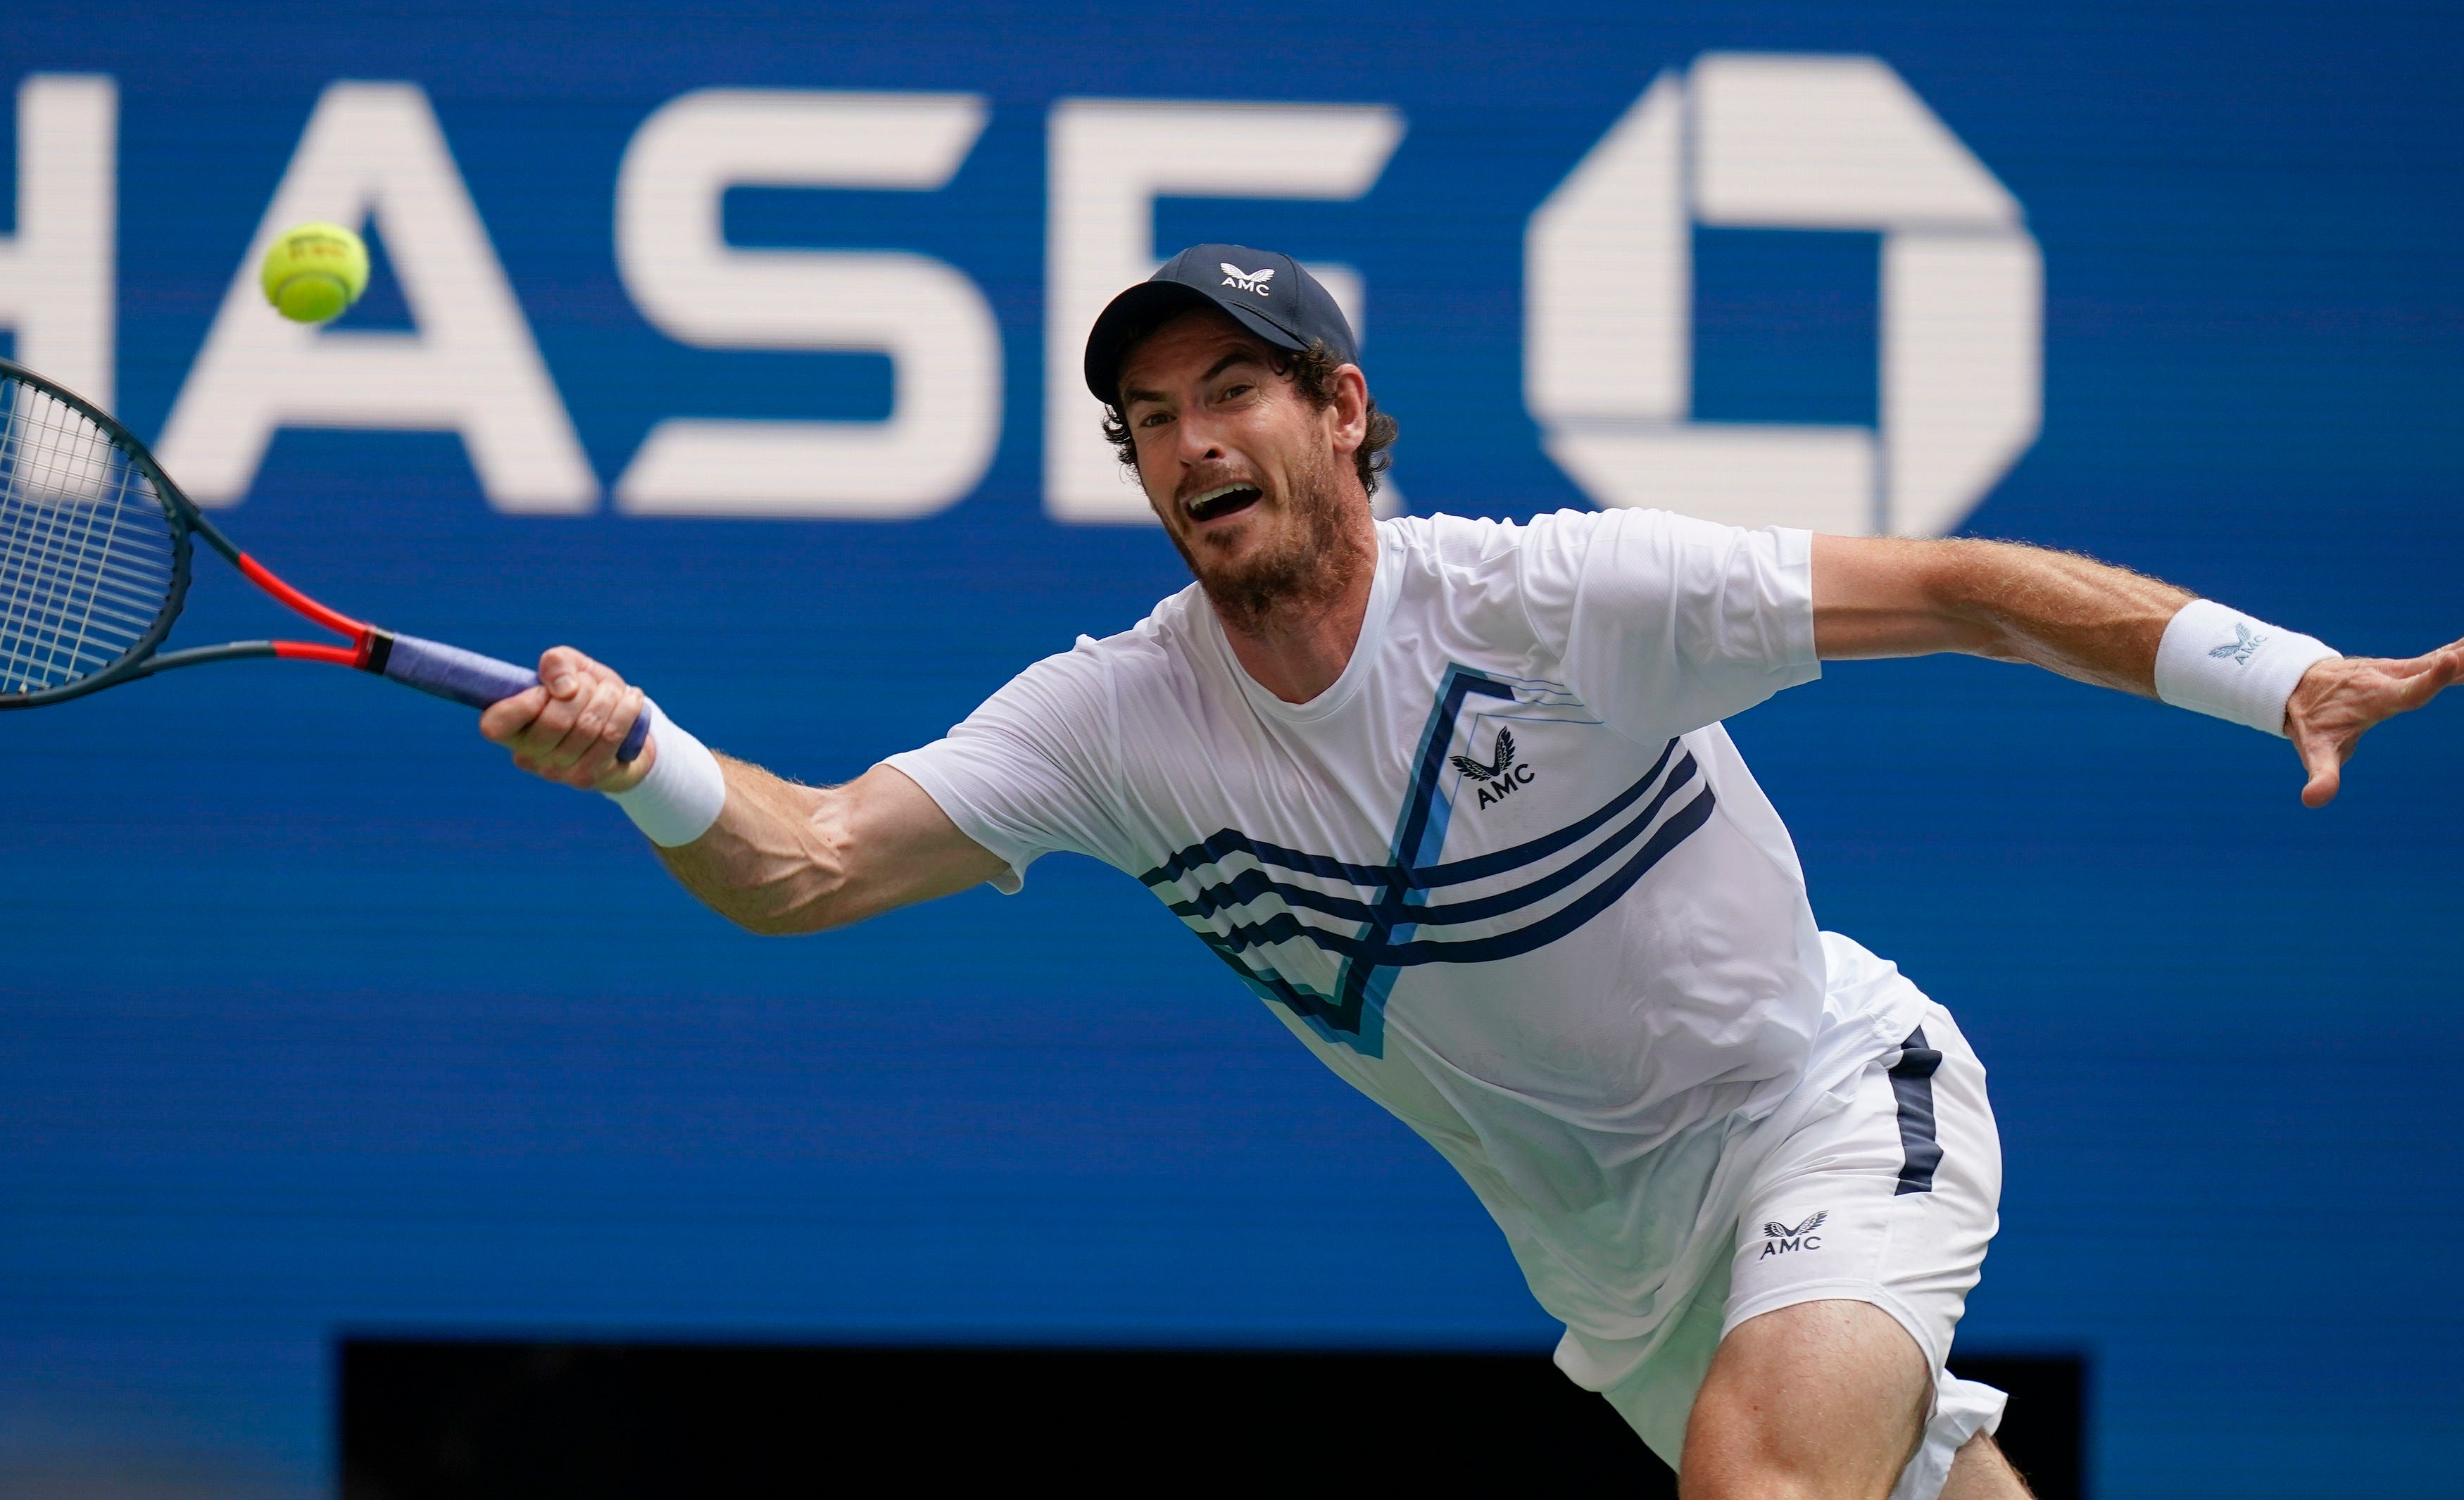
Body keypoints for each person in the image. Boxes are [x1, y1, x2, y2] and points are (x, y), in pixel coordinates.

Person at [481, 244, 2458, 1500]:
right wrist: (643, 760)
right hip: (1609, 1270)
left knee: (1765, 1486)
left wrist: (2274, 671)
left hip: (1825, 1108)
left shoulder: (1557, 598)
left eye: (1231, 393)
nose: (1188, 443)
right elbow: (808, 860)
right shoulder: (1108, 722)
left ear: (1341, 416)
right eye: (1147, 421)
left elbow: (1950, 591)